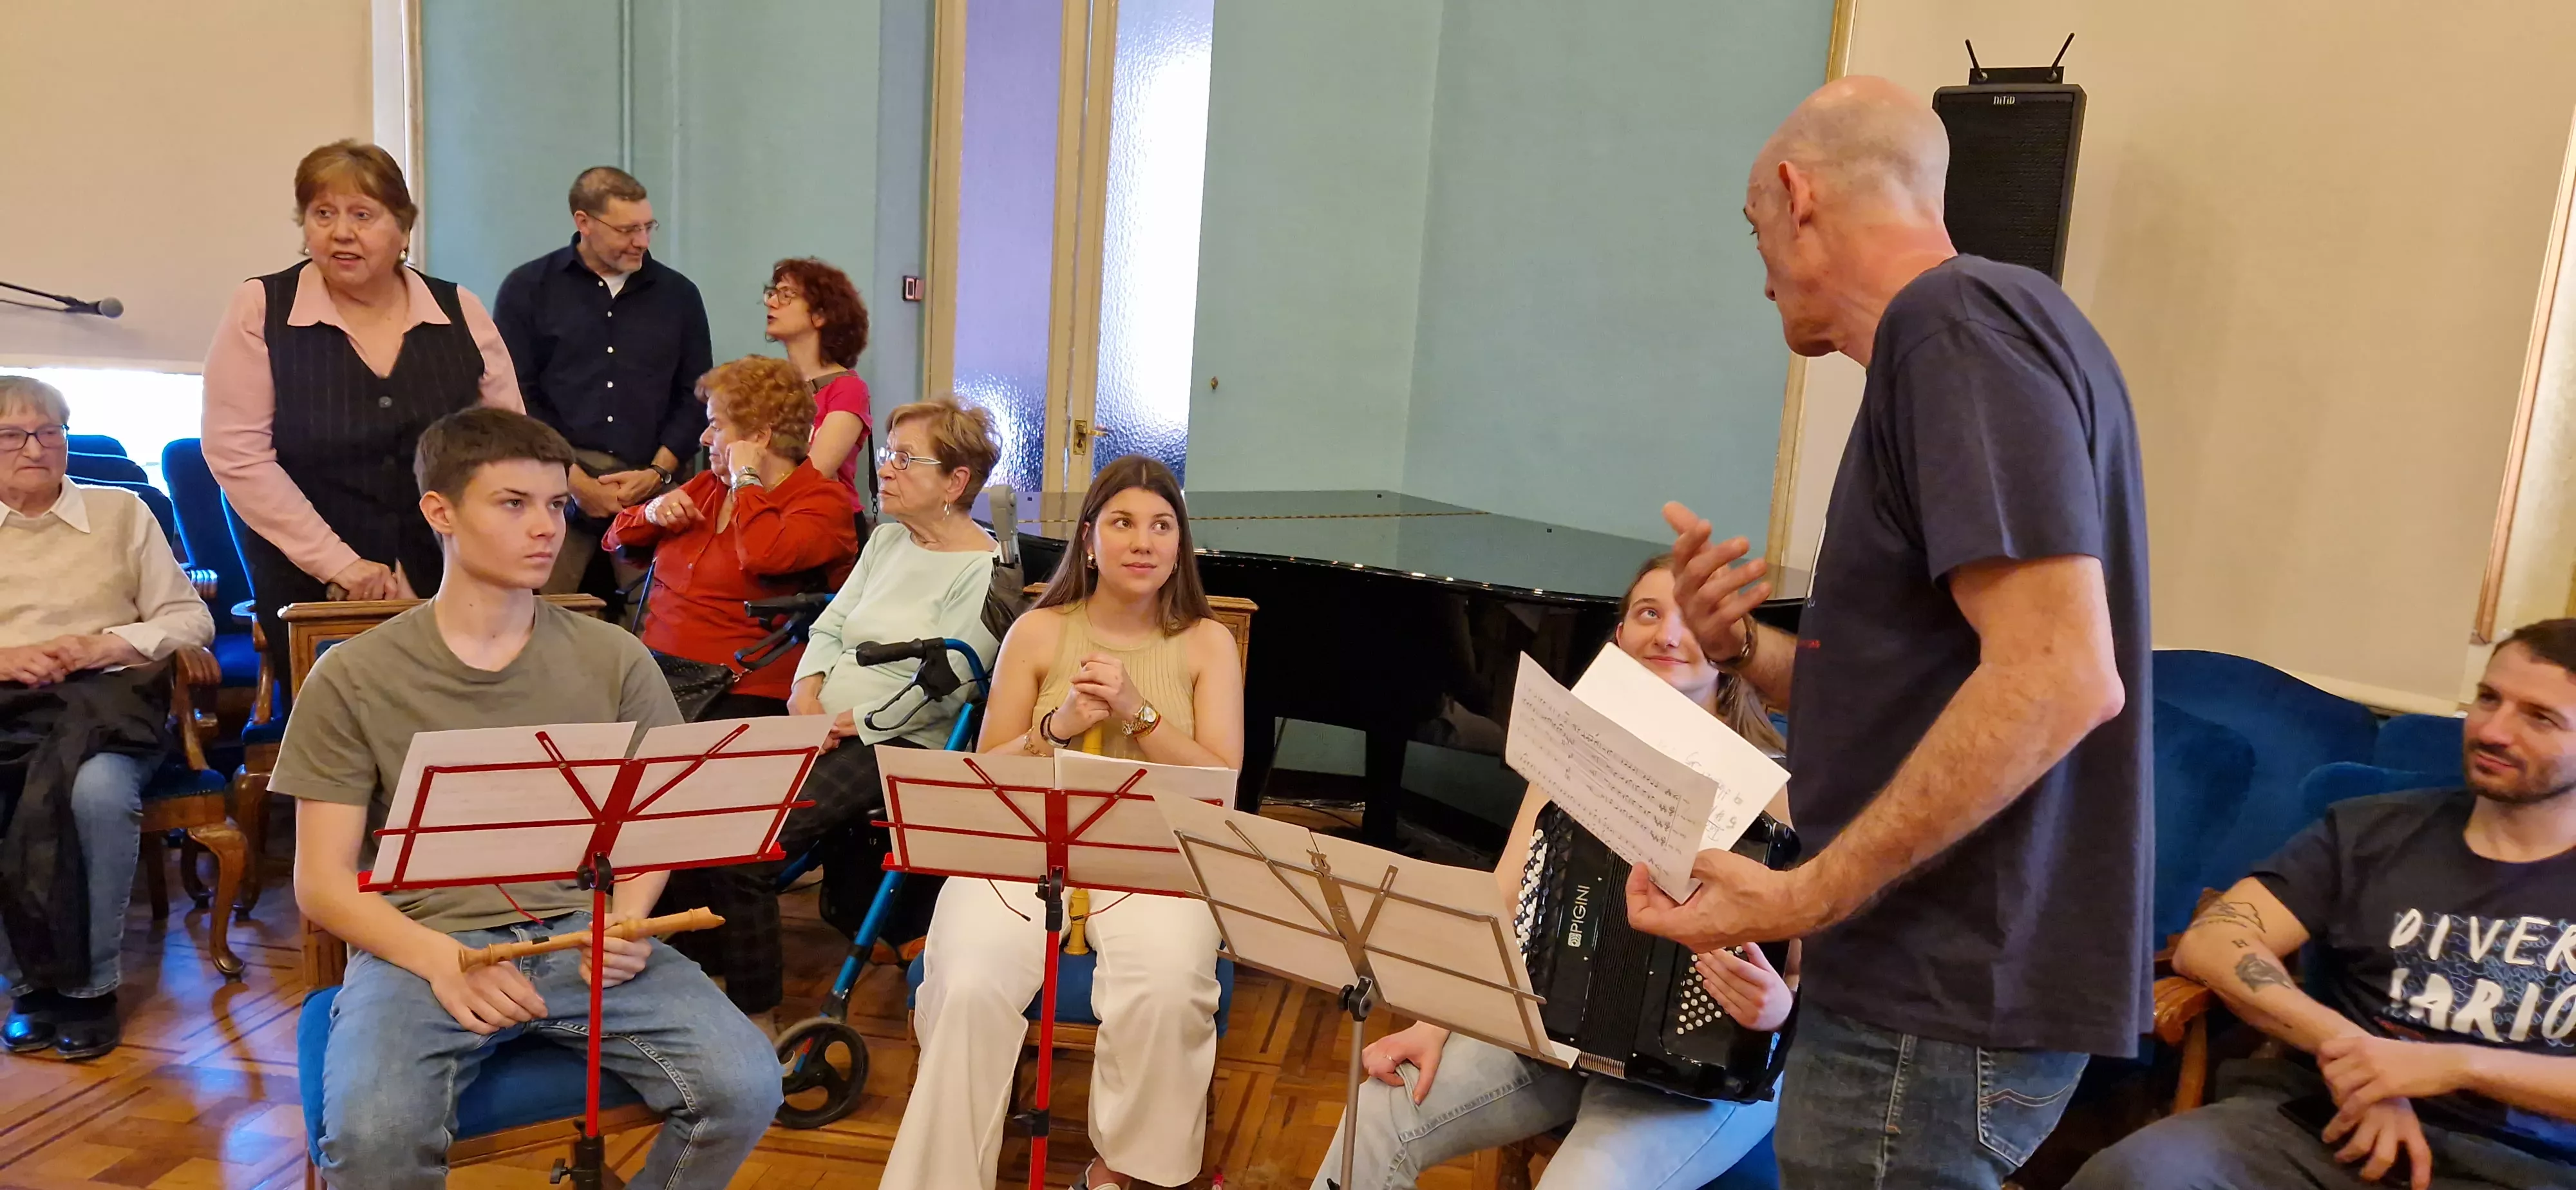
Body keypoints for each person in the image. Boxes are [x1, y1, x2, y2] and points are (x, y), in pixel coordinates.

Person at [1624, 75, 2151, 1188]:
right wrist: (1744, 652)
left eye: (1752, 224)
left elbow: (2061, 674)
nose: (1757, 264)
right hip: (1935, 975)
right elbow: (1927, 691)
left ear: (1795, 195)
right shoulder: (1985, 330)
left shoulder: (1951, 327)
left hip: (1936, 981)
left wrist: (1808, 892)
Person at [278, 407, 777, 1189]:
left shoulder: (614, 656)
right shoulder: (353, 674)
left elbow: (657, 826)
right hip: (423, 945)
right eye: (512, 504)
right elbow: (322, 882)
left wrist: (628, 918)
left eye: (554, 505)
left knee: (746, 1086)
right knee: (375, 1136)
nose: (545, 528)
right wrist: (441, 960)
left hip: (585, 932)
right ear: (439, 512)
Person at [1311, 555, 1792, 1189]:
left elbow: (1818, 966)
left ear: (1730, 648)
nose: (1667, 635)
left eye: (1692, 618)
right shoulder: (1573, 756)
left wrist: (1778, 1008)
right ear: (1619, 637)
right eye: (1648, 613)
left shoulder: (1777, 793)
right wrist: (1434, 1022)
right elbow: (1503, 900)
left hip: (1698, 1074)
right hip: (1553, 1031)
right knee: (1376, 1115)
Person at [2070, 623, 2576, 1190]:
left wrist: (2454, 1066)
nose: (2494, 730)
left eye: (2539, 717)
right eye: (2488, 698)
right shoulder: (2372, 831)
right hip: (2318, 1126)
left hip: (2527, 1164)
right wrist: (2357, 1061)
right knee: (2136, 1175)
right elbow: (2214, 941)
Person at [882, 453, 1244, 1190]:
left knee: (1167, 988)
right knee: (968, 985)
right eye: (1122, 523)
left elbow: (1221, 787)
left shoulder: (1208, 642)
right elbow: (988, 776)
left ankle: (1123, 1176)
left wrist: (1136, 714)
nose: (1142, 542)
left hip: (1157, 864)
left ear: (1180, 545)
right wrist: (1060, 724)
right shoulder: (1039, 632)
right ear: (1088, 540)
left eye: (1161, 526)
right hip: (1022, 855)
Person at [203, 139, 523, 675]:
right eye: (322, 214)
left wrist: (465, 550)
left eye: (362, 215)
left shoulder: (458, 308)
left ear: (403, 229)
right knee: (338, 733)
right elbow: (238, 456)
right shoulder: (262, 307)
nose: (341, 232)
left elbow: (508, 445)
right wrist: (342, 565)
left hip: (450, 565)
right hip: (309, 573)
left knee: (458, 718)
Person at [0, 376, 214, 1061]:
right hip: (8, 708)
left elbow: (192, 620)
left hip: (108, 708)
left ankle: (90, 989)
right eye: (12, 436)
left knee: (96, 793)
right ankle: (28, 987)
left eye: (48, 432)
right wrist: (7, 659)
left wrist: (107, 644)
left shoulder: (121, 512)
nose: (34, 448)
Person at [492, 166, 713, 608]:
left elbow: (696, 395)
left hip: (651, 480)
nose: (642, 241)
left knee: (660, 619)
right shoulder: (528, 289)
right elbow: (515, 394)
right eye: (627, 229)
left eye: (647, 227)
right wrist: (572, 480)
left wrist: (657, 474)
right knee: (535, 614)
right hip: (552, 479)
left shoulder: (679, 296)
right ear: (584, 222)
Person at [605, 355, 858, 721]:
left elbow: (764, 553)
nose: (704, 438)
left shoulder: (821, 502)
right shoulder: (709, 486)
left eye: (715, 426)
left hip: (743, 687)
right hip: (656, 673)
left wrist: (746, 478)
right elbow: (617, 540)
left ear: (759, 436)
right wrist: (651, 511)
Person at [761, 258, 875, 520]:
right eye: (773, 293)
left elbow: (814, 473)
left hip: (826, 525)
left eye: (787, 295)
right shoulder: (771, 383)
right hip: (774, 517)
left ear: (821, 315)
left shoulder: (848, 389)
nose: (771, 302)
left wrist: (749, 493)